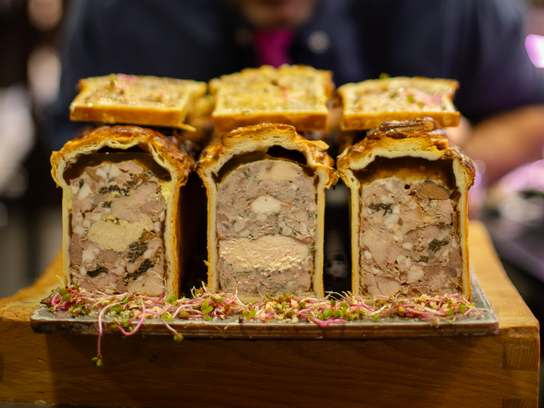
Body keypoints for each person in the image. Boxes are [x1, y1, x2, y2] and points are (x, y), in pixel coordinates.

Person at [47, 0, 544, 185]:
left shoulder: (455, 9)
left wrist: (467, 165)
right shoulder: (117, 13)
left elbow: (532, 112)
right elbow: (70, 139)